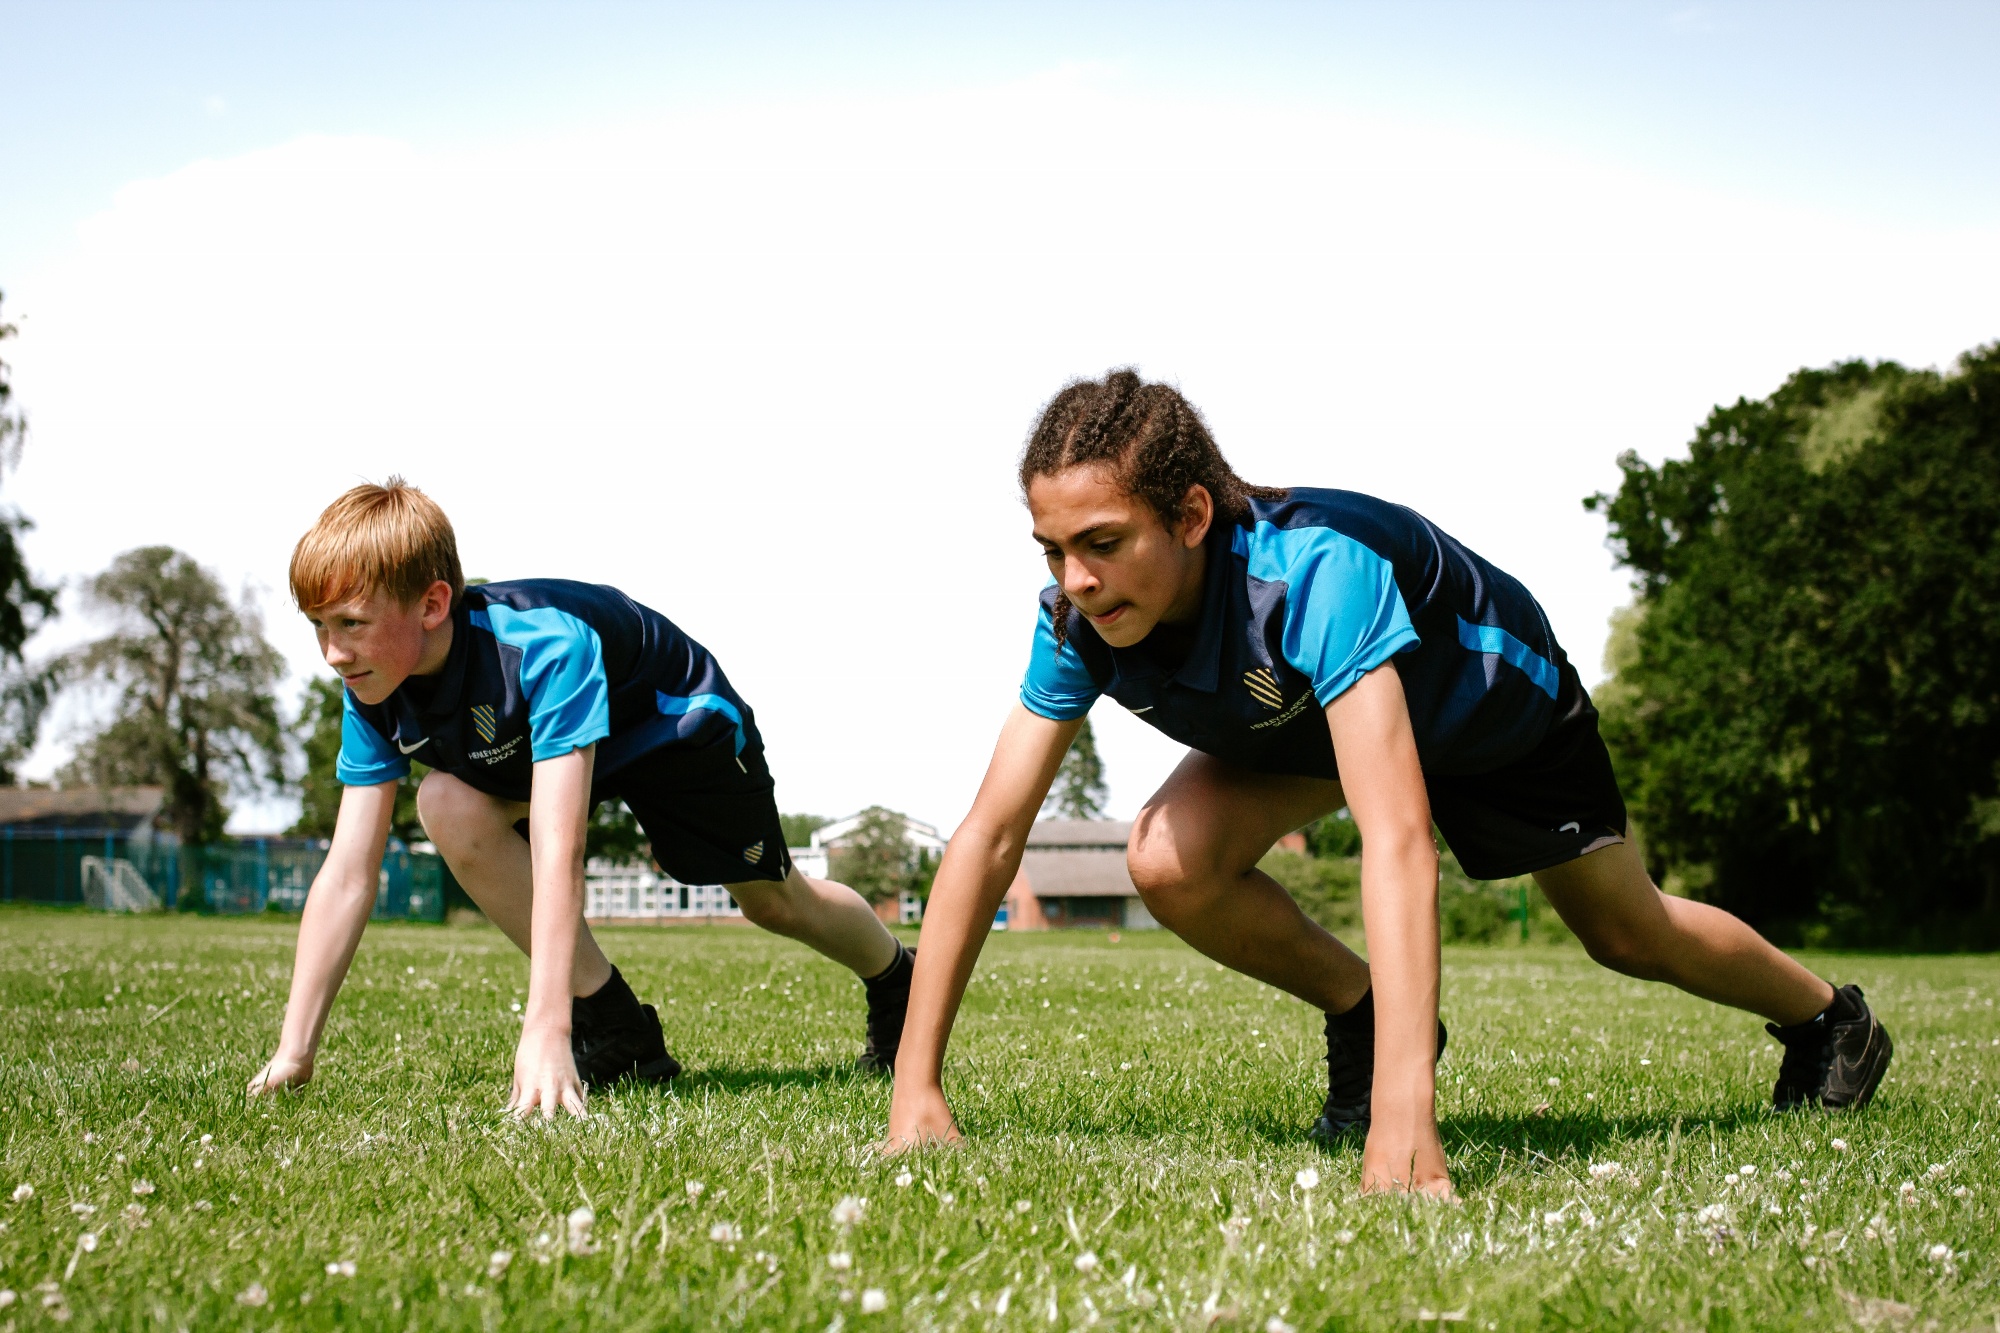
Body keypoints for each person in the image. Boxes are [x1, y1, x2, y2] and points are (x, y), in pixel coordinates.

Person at [885, 370, 1892, 1194]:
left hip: (1495, 714)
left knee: (1625, 932)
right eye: (1053, 548)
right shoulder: (1075, 620)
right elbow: (988, 835)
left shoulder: (1316, 570)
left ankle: (1826, 1020)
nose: (1075, 577)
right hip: (1319, 719)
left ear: (1190, 515)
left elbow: (1397, 837)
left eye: (1101, 542)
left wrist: (1407, 1130)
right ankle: (1362, 1014)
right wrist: (915, 1090)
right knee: (1163, 858)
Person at [249, 479, 915, 1117]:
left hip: (672, 724)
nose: (333, 652)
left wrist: (545, 1027)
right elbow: (347, 871)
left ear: (431, 603)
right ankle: (619, 1028)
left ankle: (896, 979)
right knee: (446, 803)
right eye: (318, 626)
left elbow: (559, 849)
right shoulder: (373, 680)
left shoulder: (541, 648)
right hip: (550, 746)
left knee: (773, 899)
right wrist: (293, 1051)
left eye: (351, 623)